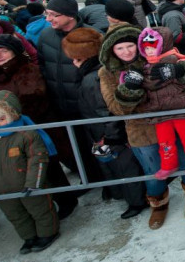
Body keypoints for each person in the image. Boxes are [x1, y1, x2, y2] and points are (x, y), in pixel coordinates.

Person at [63, 28, 147, 219]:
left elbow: (105, 111)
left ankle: (136, 202)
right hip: (99, 133)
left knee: (125, 167)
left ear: (82, 56)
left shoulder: (92, 78)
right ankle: (117, 193)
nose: (72, 63)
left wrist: (110, 137)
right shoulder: (90, 73)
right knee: (110, 165)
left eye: (75, 58)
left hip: (107, 135)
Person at [0, 90, 60, 254]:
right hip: (1, 191)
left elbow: (37, 158)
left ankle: (48, 233)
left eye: (1, 119)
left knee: (41, 210)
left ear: (12, 116)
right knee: (16, 216)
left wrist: (34, 183)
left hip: (28, 185)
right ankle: (28, 237)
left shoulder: (26, 135)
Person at [126, 27, 185, 179]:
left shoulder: (174, 58)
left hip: (181, 108)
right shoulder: (144, 66)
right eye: (146, 48)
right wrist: (132, 82)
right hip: (159, 110)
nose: (149, 51)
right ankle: (168, 165)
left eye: (152, 47)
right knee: (165, 141)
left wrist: (177, 70)